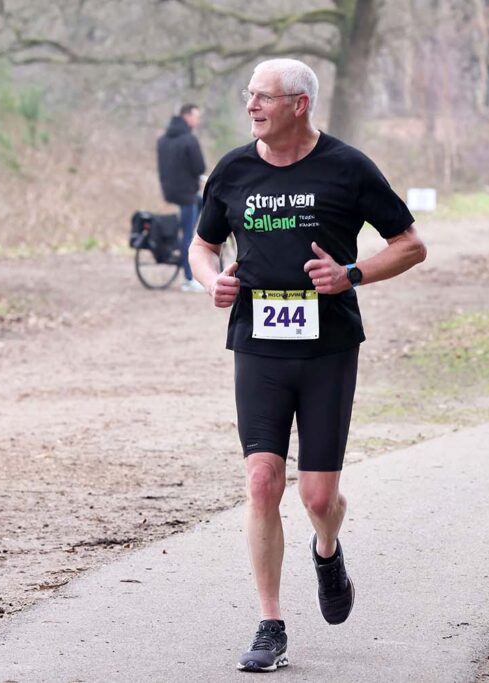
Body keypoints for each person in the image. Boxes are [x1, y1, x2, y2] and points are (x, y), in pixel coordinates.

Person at [188, 58, 426, 673]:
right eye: (249, 97)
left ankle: (327, 550)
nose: (251, 107)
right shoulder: (233, 170)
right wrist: (212, 281)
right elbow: (202, 243)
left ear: (300, 104)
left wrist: (351, 274)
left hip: (327, 350)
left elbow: (410, 244)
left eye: (263, 97)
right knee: (263, 481)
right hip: (259, 347)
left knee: (319, 497)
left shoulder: (347, 168)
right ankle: (270, 624)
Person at [157, 103, 207, 292]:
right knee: (188, 235)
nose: (197, 120)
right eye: (196, 116)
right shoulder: (189, 140)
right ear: (187, 117)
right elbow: (199, 167)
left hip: (171, 191)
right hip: (186, 193)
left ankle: (183, 238)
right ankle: (188, 279)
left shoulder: (163, 139)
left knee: (202, 205)